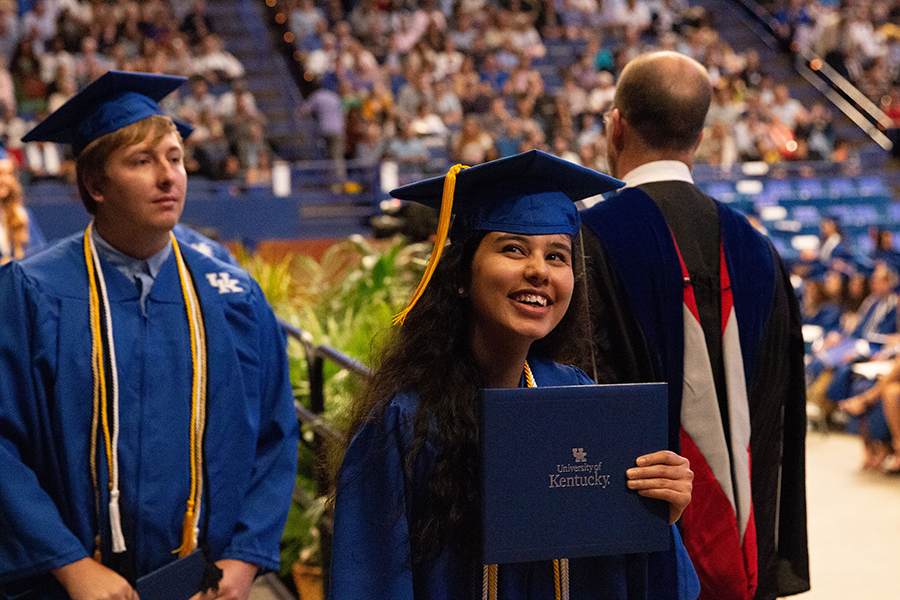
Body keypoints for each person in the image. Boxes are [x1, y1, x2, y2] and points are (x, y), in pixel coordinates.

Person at [330, 150, 700, 599]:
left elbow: (635, 576)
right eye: (514, 249)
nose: (539, 271)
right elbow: (370, 583)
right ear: (461, 275)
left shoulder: (579, 400)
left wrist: (657, 511)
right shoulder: (405, 423)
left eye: (557, 256)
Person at [0, 71, 299, 600]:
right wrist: (71, 566)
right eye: (141, 161)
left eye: (175, 158)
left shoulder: (232, 296)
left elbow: (274, 434)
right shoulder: (32, 292)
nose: (168, 177)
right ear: (96, 185)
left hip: (203, 585)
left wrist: (243, 559)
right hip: (70, 587)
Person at [579, 52, 809, 600]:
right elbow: (774, 417)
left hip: (631, 557)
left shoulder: (584, 238)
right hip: (743, 549)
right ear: (701, 138)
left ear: (616, 127)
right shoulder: (759, 251)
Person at [0, 146, 44, 264]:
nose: (5, 180)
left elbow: (39, 256)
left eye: (10, 173)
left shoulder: (22, 215)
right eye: (0, 173)